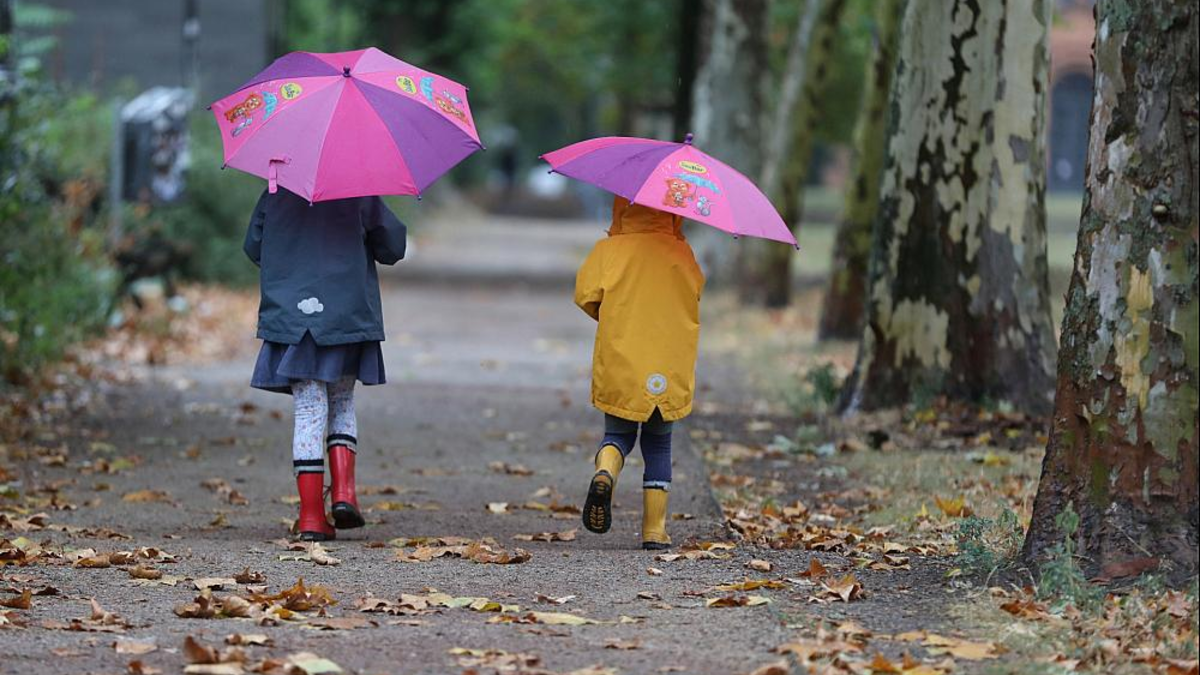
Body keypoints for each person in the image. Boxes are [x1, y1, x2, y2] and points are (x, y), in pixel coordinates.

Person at [244, 187, 406, 541]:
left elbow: (254, 247)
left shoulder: (276, 189)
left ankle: (311, 517)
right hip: (345, 315)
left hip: (294, 317)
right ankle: (345, 493)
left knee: (308, 409)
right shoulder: (358, 189)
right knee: (342, 401)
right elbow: (393, 247)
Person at [574, 196, 705, 550]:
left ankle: (606, 472)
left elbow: (585, 295)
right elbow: (695, 294)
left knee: (617, 433)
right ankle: (654, 530)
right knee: (659, 444)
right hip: (668, 364)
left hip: (622, 359)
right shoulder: (682, 253)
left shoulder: (610, 250)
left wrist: (611, 315)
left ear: (622, 207)